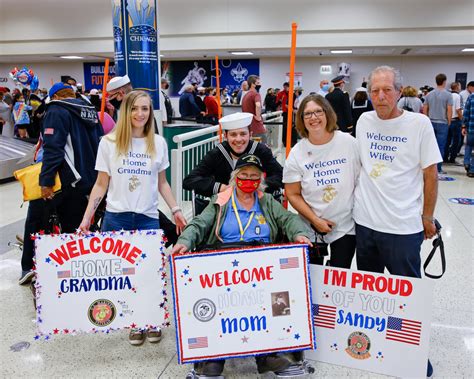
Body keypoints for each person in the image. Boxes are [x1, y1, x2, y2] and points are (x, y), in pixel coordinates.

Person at [173, 153, 311, 377]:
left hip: (262, 263)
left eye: (254, 177)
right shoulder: (221, 201)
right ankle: (215, 356)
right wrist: (184, 241)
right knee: (223, 303)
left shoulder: (266, 201)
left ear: (261, 180)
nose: (249, 180)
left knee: (268, 302)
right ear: (235, 177)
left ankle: (267, 355)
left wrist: (299, 234)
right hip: (226, 261)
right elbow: (200, 223)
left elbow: (288, 219)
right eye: (244, 175)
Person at [79, 90, 187, 345]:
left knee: (151, 274)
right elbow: (100, 184)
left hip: (148, 218)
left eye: (145, 109)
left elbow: (162, 184)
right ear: (126, 111)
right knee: (124, 275)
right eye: (135, 108)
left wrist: (176, 210)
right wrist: (87, 218)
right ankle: (134, 322)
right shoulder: (109, 143)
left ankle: (153, 320)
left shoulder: (157, 143)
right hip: (116, 219)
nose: (140, 114)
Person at [354, 66, 440, 378]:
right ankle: (377, 344)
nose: (380, 96)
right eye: (375, 90)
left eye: (387, 90)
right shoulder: (363, 121)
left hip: (403, 228)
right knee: (373, 293)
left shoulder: (418, 124)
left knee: (407, 296)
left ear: (399, 92)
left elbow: (430, 174)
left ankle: (415, 353)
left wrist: (427, 216)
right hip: (365, 224)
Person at [284, 94, 359, 268]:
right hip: (311, 227)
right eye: (308, 114)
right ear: (302, 119)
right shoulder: (297, 153)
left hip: (346, 225)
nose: (314, 117)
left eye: (318, 111)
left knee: (339, 277)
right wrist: (315, 220)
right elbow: (292, 193)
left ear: (327, 114)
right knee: (313, 279)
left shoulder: (348, 143)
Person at [182, 112, 283, 214]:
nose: (238, 139)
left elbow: (281, 175)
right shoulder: (217, 154)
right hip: (224, 210)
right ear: (226, 136)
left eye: (243, 134)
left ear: (250, 135)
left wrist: (257, 185)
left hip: (257, 208)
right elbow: (189, 180)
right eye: (233, 135)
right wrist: (221, 187)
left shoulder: (260, 151)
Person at [423, 73, 453, 174]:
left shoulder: (429, 94)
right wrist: (449, 121)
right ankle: (438, 169)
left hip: (430, 122)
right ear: (444, 82)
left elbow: (425, 108)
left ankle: (427, 167)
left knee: (429, 146)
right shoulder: (448, 95)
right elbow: (449, 110)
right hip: (442, 123)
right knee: (440, 146)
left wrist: (426, 119)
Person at [241, 74, 266, 142]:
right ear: (252, 84)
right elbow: (258, 105)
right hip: (257, 128)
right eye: (258, 83)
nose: (260, 84)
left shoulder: (245, 96)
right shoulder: (256, 94)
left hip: (248, 128)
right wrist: (258, 117)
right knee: (263, 150)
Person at [443, 82, 463, 163]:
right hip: (455, 120)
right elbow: (458, 109)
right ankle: (452, 158)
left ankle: (445, 157)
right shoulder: (458, 96)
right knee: (456, 141)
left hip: (447, 120)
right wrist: (462, 119)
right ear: (457, 87)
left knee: (447, 140)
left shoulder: (447, 95)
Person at [276, 82, 297, 147]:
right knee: (284, 127)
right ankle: (285, 142)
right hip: (284, 112)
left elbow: (294, 103)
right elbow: (277, 103)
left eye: (287, 87)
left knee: (292, 127)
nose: (286, 88)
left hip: (292, 112)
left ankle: (293, 142)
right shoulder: (281, 94)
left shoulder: (293, 94)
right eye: (285, 87)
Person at [462, 93, 474, 178]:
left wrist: (463, 126)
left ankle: (466, 162)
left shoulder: (471, 97)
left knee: (468, 145)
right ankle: (472, 170)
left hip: (471, 127)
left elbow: (466, 113)